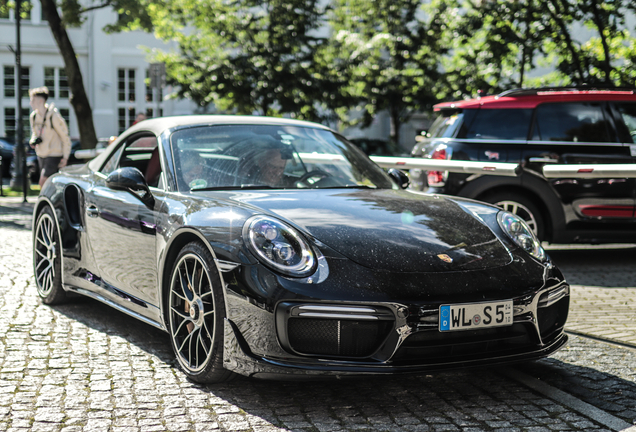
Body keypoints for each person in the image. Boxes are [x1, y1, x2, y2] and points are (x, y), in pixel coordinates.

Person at [28, 86, 72, 187]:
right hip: (41, 154)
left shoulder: (54, 116)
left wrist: (65, 157)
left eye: (32, 100)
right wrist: (33, 140)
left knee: (42, 182)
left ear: (40, 101)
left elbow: (65, 136)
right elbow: (34, 133)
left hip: (54, 154)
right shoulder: (33, 116)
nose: (31, 103)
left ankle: (42, 202)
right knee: (49, 185)